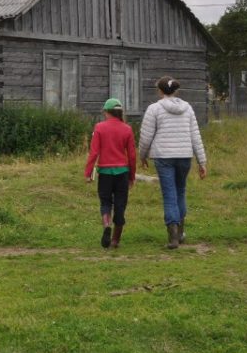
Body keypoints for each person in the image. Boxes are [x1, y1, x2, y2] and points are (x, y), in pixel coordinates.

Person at [138, 76, 208, 249]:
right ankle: (181, 232)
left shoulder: (154, 109)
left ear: (160, 91)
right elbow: (195, 136)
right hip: (184, 156)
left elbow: (146, 136)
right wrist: (202, 161)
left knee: (169, 194)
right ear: (175, 90)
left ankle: (173, 237)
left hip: (163, 157)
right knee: (180, 192)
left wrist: (143, 155)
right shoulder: (188, 108)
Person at [84, 98, 137, 249]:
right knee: (120, 204)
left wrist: (88, 173)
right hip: (122, 173)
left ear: (106, 112)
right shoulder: (127, 129)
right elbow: (132, 155)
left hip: (105, 173)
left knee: (106, 202)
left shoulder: (99, 127)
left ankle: (107, 224)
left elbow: (94, 153)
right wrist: (132, 176)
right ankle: (115, 240)